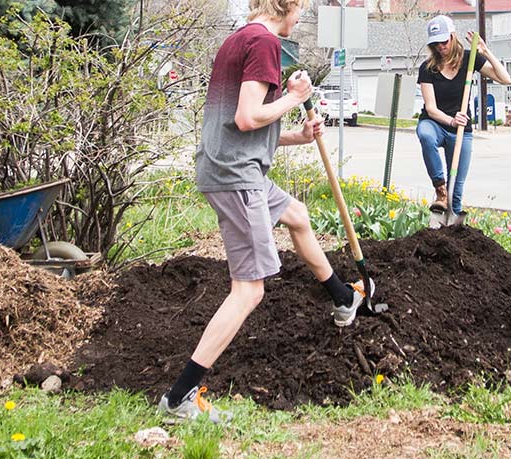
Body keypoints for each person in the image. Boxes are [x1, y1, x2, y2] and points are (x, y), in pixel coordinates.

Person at [157, 0, 373, 423]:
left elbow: (240, 128)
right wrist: (294, 98)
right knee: (249, 290)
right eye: (300, 9)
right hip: (237, 179)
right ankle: (179, 397)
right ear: (286, 5)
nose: (301, 18)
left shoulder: (239, 39)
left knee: (297, 214)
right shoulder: (263, 42)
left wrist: (297, 136)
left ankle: (343, 299)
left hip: (238, 168)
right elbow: (248, 116)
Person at [417, 15, 511, 214]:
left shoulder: (469, 60)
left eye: (444, 41)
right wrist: (451, 120)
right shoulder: (427, 68)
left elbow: (505, 79)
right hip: (435, 123)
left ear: (453, 36)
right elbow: (431, 108)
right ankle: (440, 189)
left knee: (457, 191)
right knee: (424, 134)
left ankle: (452, 228)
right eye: (436, 43)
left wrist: (486, 52)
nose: (441, 46)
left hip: (461, 130)